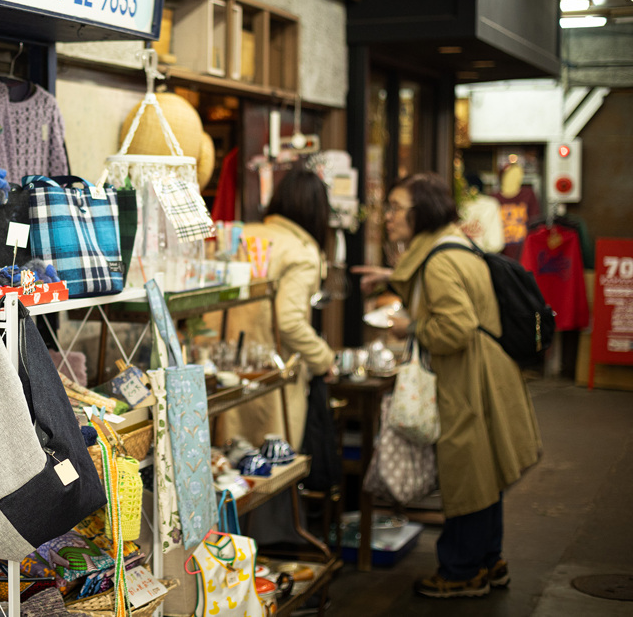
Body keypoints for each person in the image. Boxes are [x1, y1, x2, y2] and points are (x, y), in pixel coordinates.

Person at [353, 173, 541, 598]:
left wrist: (409, 327)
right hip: (486, 371)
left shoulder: (438, 260)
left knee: (468, 474)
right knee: (485, 472)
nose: (387, 216)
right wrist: (394, 276)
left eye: (396, 207)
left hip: (468, 378)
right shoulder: (450, 245)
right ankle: (489, 562)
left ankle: (461, 572)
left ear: (422, 213)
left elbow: (455, 328)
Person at [217, 164, 336, 452]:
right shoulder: (301, 252)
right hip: (268, 380)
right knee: (268, 464)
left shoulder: (240, 235)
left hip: (218, 372)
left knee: (221, 462)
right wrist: (323, 359)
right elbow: (289, 321)